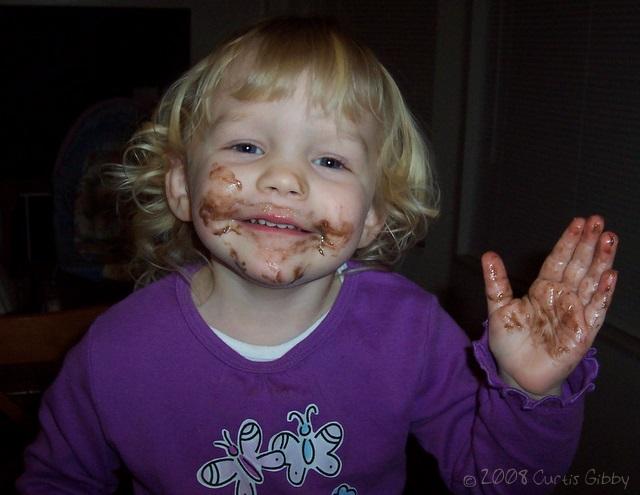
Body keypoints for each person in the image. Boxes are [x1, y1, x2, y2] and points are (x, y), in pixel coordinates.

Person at [18, 16, 619, 495]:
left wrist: (529, 393)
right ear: (180, 187)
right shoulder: (115, 354)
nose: (284, 179)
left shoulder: (409, 332)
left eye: (330, 160)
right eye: (248, 145)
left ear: (373, 216)